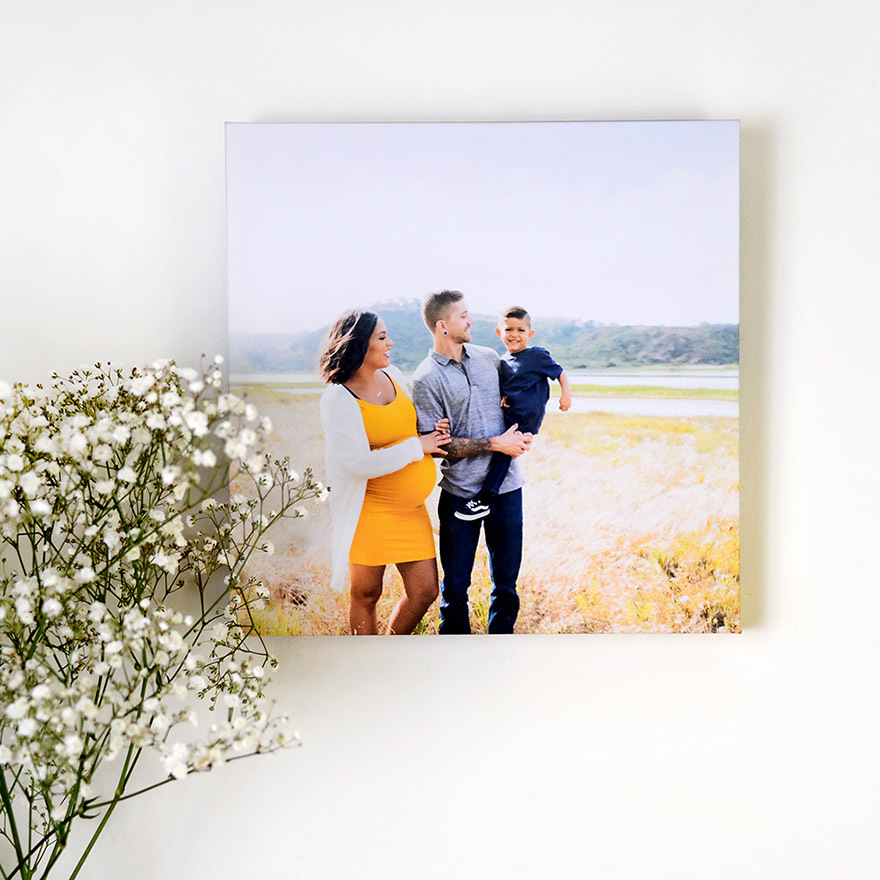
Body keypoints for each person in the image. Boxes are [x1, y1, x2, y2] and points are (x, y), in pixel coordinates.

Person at [318, 309, 450, 635]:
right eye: (381, 338)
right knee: (366, 594)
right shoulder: (338, 397)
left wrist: (433, 431)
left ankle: (391, 647)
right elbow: (358, 463)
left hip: (410, 510)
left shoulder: (396, 376)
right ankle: (368, 663)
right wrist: (418, 446)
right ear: (359, 345)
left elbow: (409, 429)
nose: (390, 343)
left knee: (425, 592)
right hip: (368, 510)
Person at [411, 290, 532, 635]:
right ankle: (455, 664)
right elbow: (440, 448)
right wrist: (496, 443)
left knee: (506, 587)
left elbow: (518, 396)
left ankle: (499, 653)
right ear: (443, 326)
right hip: (460, 493)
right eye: (464, 316)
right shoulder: (425, 379)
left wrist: (524, 427)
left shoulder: (490, 357)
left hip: (507, 488)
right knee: (454, 591)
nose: (471, 320)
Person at [455, 305, 572, 521]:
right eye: (509, 330)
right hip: (508, 415)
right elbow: (507, 386)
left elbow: (560, 373)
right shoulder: (503, 361)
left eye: (520, 330)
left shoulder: (537, 355)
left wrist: (566, 395)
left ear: (530, 334)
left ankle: (484, 498)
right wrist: (502, 396)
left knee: (503, 455)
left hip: (524, 418)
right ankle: (480, 493)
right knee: (496, 447)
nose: (515, 335)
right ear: (499, 332)